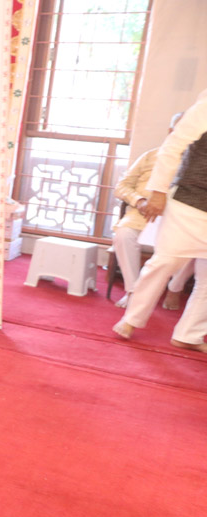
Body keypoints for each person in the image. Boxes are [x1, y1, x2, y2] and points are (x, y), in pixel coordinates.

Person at [113, 89, 207, 352]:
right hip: (190, 201)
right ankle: (131, 319)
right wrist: (158, 191)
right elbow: (173, 146)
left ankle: (189, 334)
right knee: (163, 262)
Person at [112, 113, 193, 309]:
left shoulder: (197, 163)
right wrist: (139, 201)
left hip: (179, 222)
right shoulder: (150, 156)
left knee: (197, 246)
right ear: (171, 132)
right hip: (141, 216)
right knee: (123, 235)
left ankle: (174, 287)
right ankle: (133, 291)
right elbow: (122, 186)